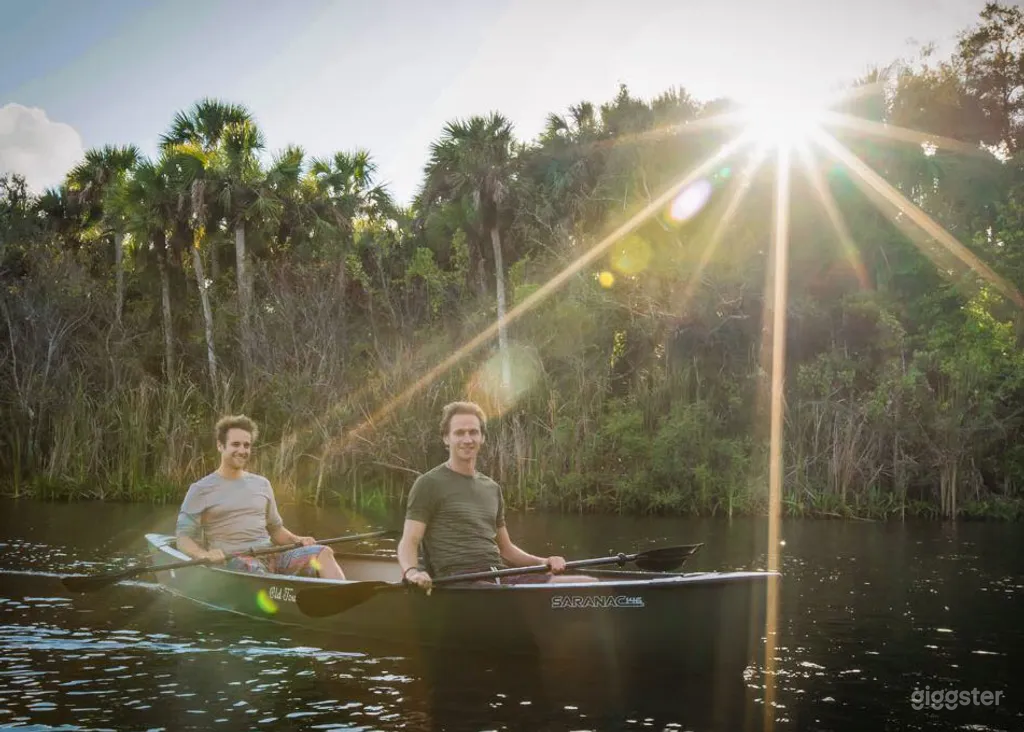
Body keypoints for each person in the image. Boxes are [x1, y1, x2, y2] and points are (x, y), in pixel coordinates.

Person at [398, 401, 591, 591]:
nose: (467, 439)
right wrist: (412, 572)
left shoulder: (492, 488)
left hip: (497, 575)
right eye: (459, 433)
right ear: (446, 438)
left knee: (586, 584)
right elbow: (410, 541)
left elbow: (506, 550)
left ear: (482, 437)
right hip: (459, 581)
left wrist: (544, 561)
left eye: (473, 432)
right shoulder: (428, 484)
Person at [175, 414, 346, 579]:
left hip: (271, 556)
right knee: (253, 569)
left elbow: (275, 529)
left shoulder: (262, 484)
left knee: (323, 552)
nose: (242, 450)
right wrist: (203, 554)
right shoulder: (201, 489)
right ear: (220, 446)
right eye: (235, 444)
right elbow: (183, 537)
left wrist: (298, 539)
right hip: (236, 560)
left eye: (247, 445)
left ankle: (345, 600)